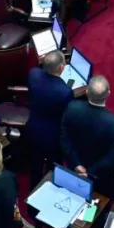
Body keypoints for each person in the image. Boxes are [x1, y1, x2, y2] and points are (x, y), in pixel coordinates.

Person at [61, 75, 114, 195]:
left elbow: (64, 138)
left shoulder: (72, 108)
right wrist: (88, 172)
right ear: (108, 94)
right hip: (99, 178)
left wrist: (77, 164)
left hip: (74, 169)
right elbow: (112, 157)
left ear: (87, 91)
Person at [27, 51, 74, 185]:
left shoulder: (33, 74)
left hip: (33, 129)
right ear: (61, 68)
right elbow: (66, 116)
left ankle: (33, 187)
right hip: (52, 137)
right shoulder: (65, 91)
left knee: (35, 165)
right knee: (53, 168)